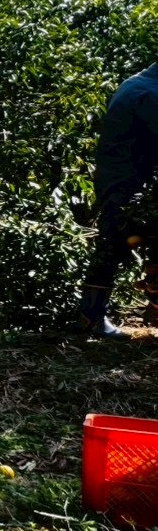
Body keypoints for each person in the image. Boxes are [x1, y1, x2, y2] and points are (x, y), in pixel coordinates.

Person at [76, 61, 158, 339]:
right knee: (113, 243)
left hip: (119, 177)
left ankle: (92, 316)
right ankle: (91, 317)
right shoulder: (149, 94)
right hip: (126, 181)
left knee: (118, 241)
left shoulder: (138, 83)